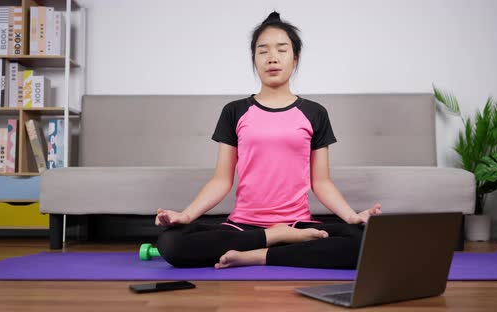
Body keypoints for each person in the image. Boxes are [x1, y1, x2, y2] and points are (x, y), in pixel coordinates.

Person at [155, 11, 382, 270]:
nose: (272, 58)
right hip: (243, 226)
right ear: (254, 59)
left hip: (296, 225)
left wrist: (353, 217)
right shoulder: (235, 111)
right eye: (262, 51)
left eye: (281, 50)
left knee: (363, 242)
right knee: (171, 243)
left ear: (295, 59)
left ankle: (257, 255)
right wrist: (185, 215)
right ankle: (273, 238)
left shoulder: (315, 113)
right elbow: (221, 179)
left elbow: (321, 182)